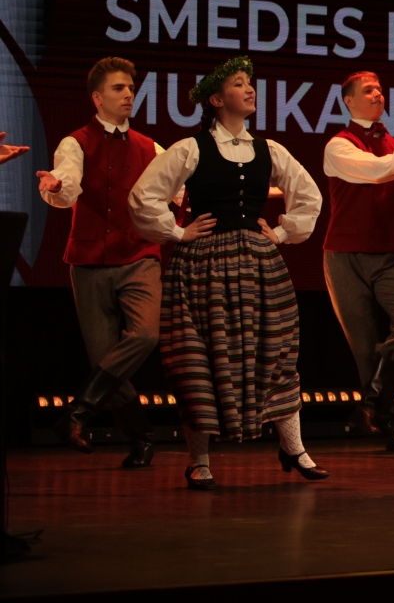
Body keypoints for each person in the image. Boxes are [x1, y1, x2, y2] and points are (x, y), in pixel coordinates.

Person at [128, 56, 326, 489]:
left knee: (274, 351)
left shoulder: (269, 150)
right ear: (217, 100)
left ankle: (294, 448)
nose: (250, 88)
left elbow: (308, 196)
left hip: (258, 265)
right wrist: (178, 232)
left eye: (250, 82)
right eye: (239, 83)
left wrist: (281, 232)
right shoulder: (190, 148)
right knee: (199, 359)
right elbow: (143, 197)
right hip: (203, 266)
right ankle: (199, 461)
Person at [36, 57, 167, 466]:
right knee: (105, 360)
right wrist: (56, 187)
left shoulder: (151, 148)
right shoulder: (75, 143)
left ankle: (77, 413)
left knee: (144, 335)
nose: (128, 94)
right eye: (118, 88)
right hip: (89, 261)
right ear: (97, 97)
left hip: (139, 256)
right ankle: (142, 438)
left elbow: (179, 189)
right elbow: (67, 183)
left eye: (131, 88)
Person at [321, 70, 394, 452]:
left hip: (390, 254)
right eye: (369, 90)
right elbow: (373, 171)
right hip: (344, 255)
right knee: (364, 346)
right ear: (349, 101)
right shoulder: (339, 146)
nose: (378, 95)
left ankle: (370, 402)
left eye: (380, 90)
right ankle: (388, 421)